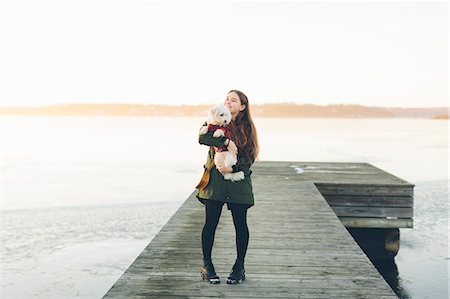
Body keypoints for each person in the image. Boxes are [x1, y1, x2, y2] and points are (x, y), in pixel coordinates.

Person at [196, 89, 259, 284]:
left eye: (233, 100)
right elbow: (202, 138)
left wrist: (233, 168)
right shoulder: (214, 119)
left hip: (238, 181)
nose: (229, 102)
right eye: (227, 99)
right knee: (211, 223)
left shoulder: (247, 128)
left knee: (240, 224)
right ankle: (207, 266)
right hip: (214, 181)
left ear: (242, 106)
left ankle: (239, 267)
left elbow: (250, 156)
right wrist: (226, 141)